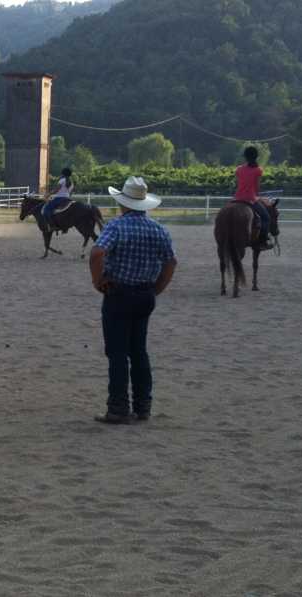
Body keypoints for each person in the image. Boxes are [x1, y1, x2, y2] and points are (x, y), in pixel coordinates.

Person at [88, 176, 176, 424]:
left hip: (119, 294)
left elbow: (97, 252)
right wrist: (157, 288)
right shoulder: (159, 229)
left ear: (123, 203)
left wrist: (98, 280)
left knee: (117, 353)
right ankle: (142, 406)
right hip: (145, 295)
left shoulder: (116, 226)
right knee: (139, 351)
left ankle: (118, 408)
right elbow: (171, 262)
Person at [234, 146, 273, 251]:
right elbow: (257, 188)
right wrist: (259, 198)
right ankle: (262, 242)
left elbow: (238, 185)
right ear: (256, 157)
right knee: (266, 218)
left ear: (245, 157)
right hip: (251, 199)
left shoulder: (238, 169)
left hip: (237, 198)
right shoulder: (258, 170)